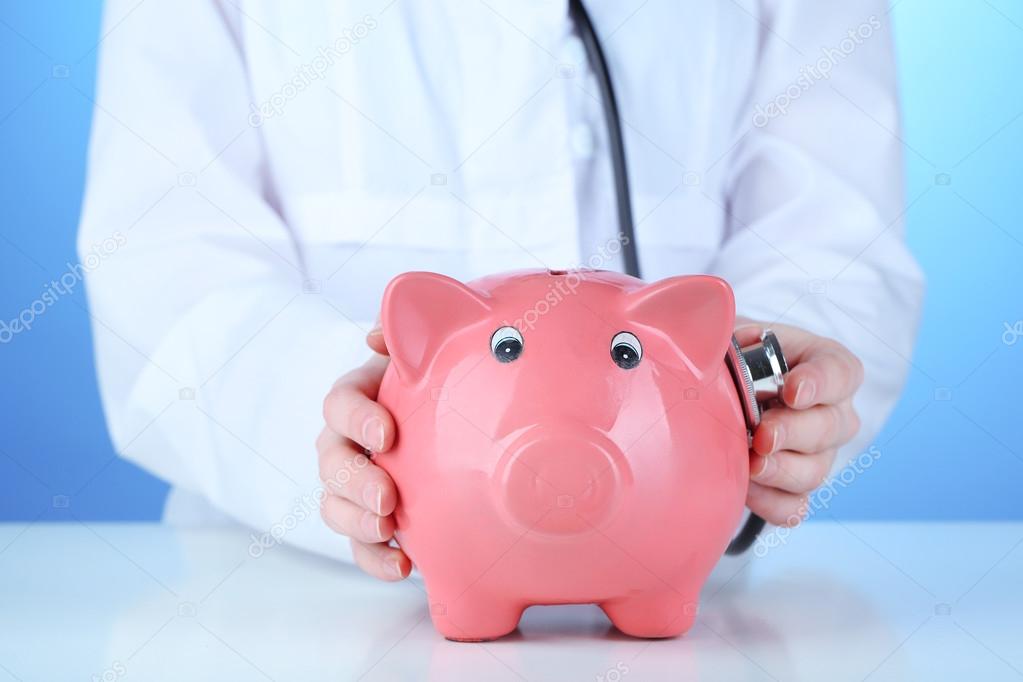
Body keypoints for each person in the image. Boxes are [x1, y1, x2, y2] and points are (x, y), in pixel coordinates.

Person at [79, 0, 923, 581]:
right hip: (288, 605)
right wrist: (356, 435)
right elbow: (161, 264)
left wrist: (768, 394)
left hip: (689, 610)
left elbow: (834, 249)